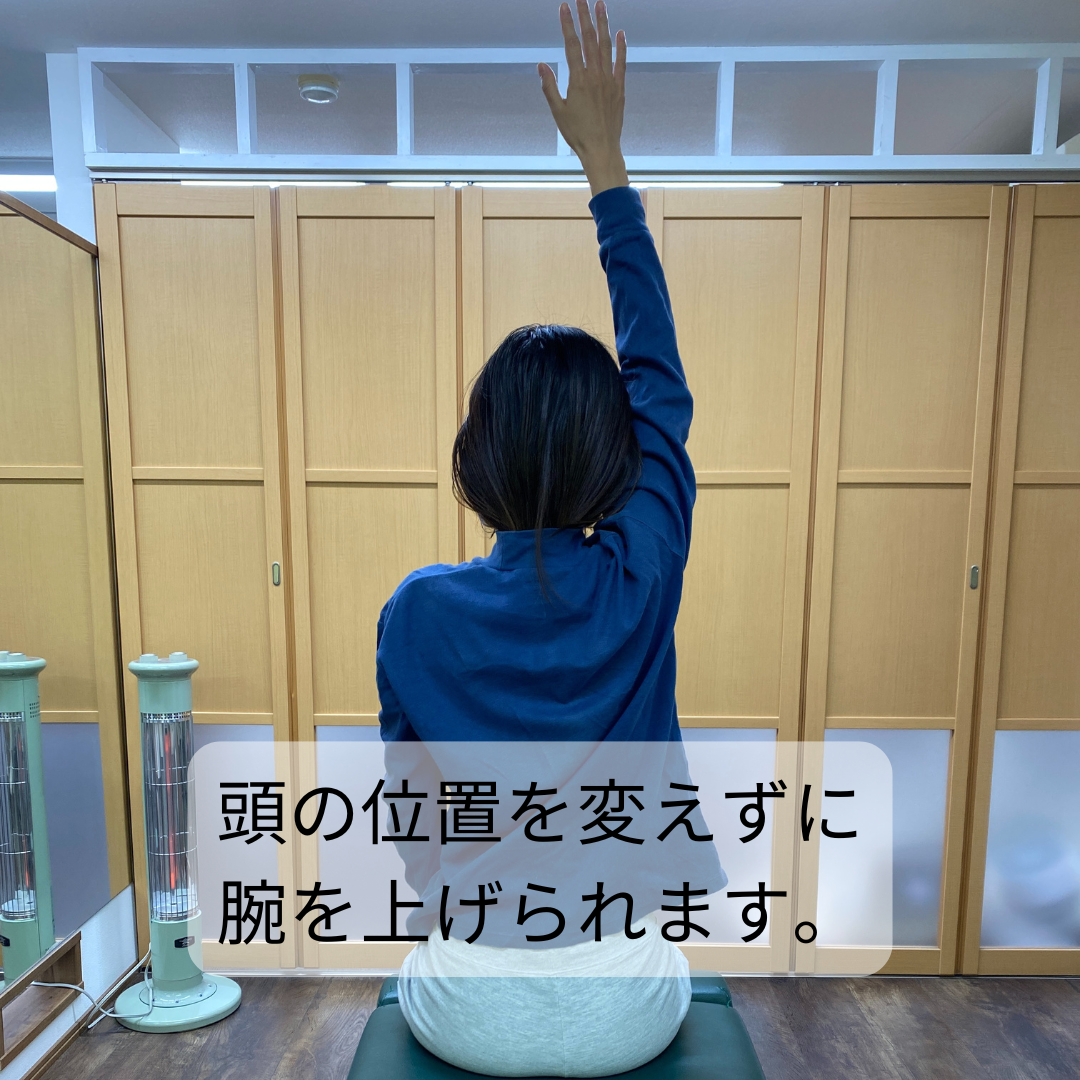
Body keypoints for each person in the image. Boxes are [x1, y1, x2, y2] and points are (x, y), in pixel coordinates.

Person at [374, 2, 725, 1075]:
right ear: (617, 458)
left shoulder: (415, 613)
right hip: (628, 1004)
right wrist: (605, 165)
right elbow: (659, 389)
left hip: (468, 1002)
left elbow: (417, 830)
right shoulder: (639, 576)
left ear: (476, 453)